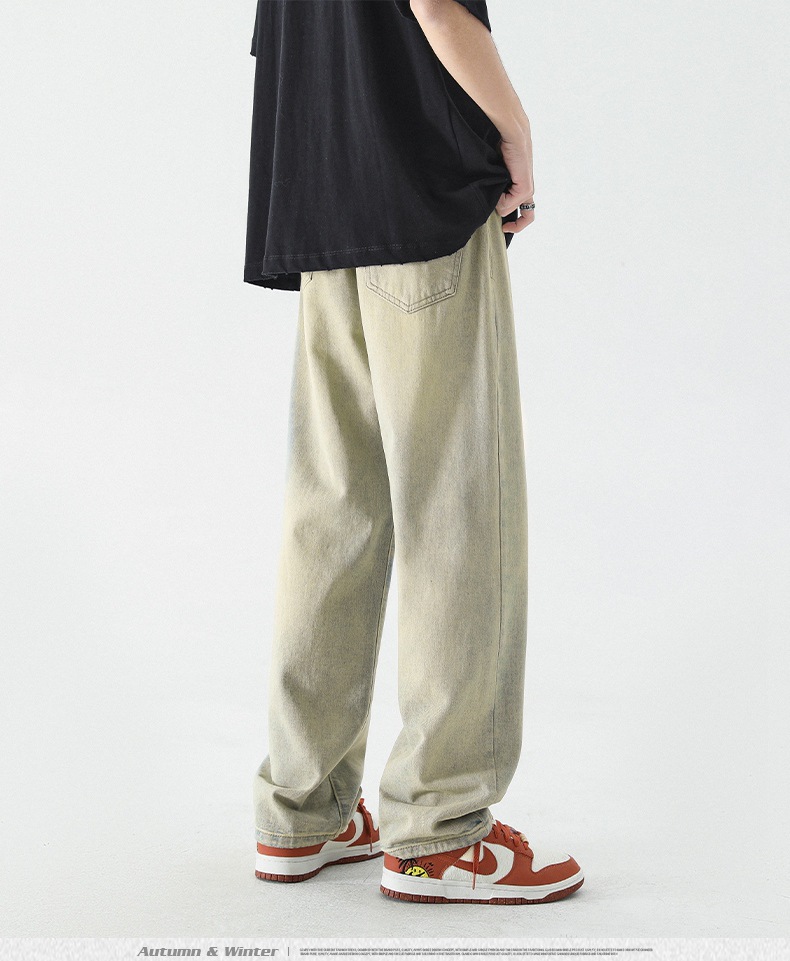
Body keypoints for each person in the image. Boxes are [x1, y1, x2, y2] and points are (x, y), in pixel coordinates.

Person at [244, 0, 583, 905]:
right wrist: (515, 131)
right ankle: (441, 829)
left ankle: (302, 808)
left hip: (319, 188)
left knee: (333, 507)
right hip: (420, 188)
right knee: (458, 503)